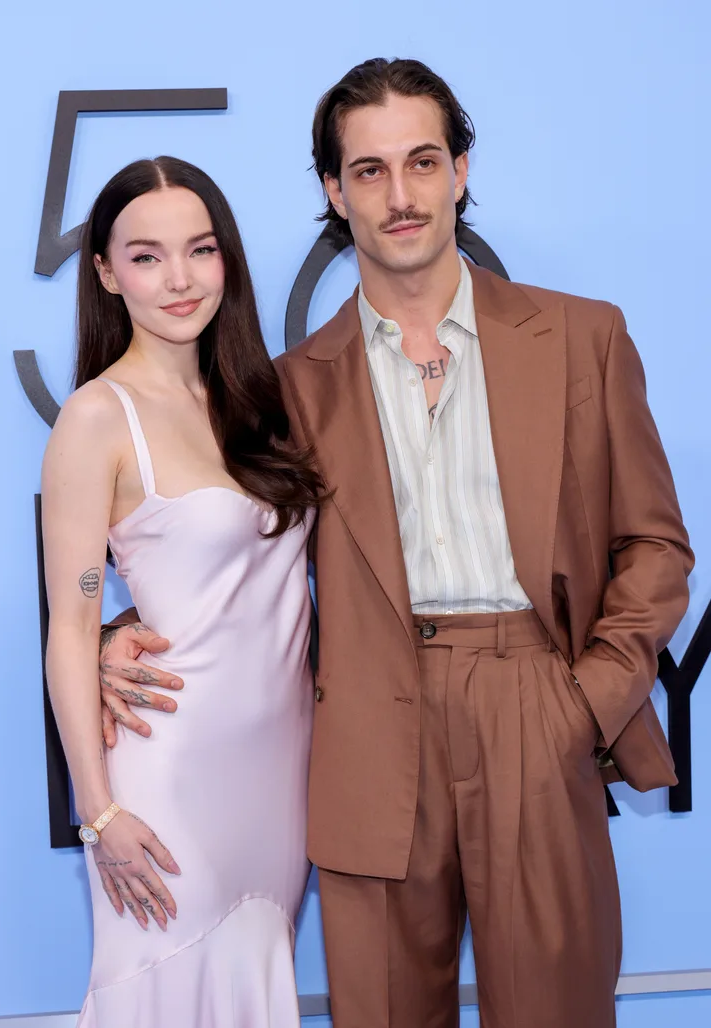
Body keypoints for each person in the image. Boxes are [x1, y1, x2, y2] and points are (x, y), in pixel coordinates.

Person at [96, 61, 694, 1028]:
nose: (401, 194)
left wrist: (583, 706)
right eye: (368, 171)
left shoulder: (584, 338)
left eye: (422, 161)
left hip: (535, 705)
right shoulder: (283, 389)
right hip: (366, 731)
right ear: (334, 193)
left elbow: (656, 545)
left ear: (461, 170)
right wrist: (111, 630)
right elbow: (210, 538)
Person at [42, 155, 324, 1027]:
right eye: (147, 255)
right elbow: (70, 624)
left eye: (199, 251)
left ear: (227, 261)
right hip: (168, 780)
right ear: (105, 273)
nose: (179, 278)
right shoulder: (96, 417)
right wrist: (99, 815)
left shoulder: (260, 400)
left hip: (279, 777)